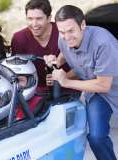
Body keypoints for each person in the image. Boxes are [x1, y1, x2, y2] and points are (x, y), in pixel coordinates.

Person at [44, 5, 118, 160]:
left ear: (83, 25)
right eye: (62, 31)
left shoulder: (103, 43)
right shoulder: (63, 38)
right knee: (96, 138)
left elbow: (104, 85)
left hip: (110, 86)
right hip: (98, 94)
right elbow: (66, 52)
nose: (66, 36)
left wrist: (66, 81)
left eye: (71, 31)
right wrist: (55, 61)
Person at [10, 0, 60, 92]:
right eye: (30, 18)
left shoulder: (62, 32)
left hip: (67, 88)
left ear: (49, 18)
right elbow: (17, 71)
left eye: (39, 18)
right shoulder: (19, 38)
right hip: (33, 91)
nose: (34, 24)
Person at [1, 55, 43, 120]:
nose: (13, 84)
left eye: (19, 80)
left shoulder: (38, 104)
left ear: (31, 81)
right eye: (8, 79)